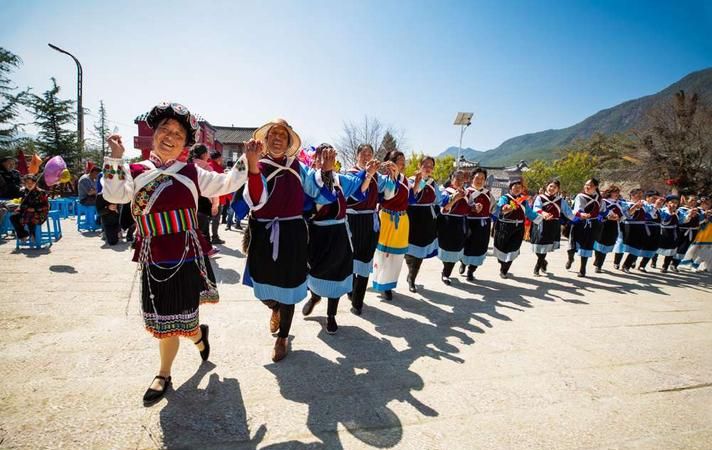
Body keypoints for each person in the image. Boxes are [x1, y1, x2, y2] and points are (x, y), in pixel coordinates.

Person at [102, 102, 250, 406]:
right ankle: (165, 372)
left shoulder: (192, 172)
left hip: (185, 257)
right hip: (154, 258)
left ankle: (192, 341)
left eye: (178, 134)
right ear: (154, 134)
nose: (170, 136)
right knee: (165, 321)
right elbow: (115, 195)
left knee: (182, 317)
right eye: (164, 130)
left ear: (185, 143)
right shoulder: (136, 171)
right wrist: (116, 159)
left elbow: (228, 182)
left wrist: (247, 159)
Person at [242, 118, 326, 362]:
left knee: (289, 288)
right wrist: (253, 166)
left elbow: (321, 192)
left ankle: (283, 338)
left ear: (289, 142)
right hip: (263, 233)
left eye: (283, 134)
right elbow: (255, 200)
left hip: (293, 234)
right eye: (273, 134)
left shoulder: (299, 168)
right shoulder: (255, 162)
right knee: (263, 288)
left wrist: (327, 172)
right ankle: (274, 308)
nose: (278, 137)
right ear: (266, 139)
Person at [301, 143, 375, 333]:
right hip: (318, 235)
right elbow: (312, 201)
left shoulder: (340, 179)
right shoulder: (309, 179)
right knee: (317, 270)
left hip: (340, 233)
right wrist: (324, 172)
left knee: (337, 273)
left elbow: (358, 186)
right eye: (322, 156)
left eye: (330, 156)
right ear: (315, 158)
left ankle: (331, 316)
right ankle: (315, 296)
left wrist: (368, 173)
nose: (326, 160)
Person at [345, 144, 392, 314]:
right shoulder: (350, 174)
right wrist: (368, 174)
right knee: (351, 258)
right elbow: (356, 193)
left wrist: (392, 174)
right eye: (363, 153)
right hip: (352, 220)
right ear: (357, 156)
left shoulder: (376, 177)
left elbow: (388, 193)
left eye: (369, 154)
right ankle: (351, 289)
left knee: (365, 260)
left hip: (371, 220)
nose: (366, 156)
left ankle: (358, 302)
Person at [371, 150, 409, 300]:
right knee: (382, 254)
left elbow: (412, 199)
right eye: (398, 160)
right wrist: (392, 178)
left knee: (396, 256)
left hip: (402, 220)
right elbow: (386, 196)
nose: (401, 163)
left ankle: (389, 284)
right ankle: (380, 282)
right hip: (386, 217)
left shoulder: (407, 180)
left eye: (402, 160)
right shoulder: (383, 179)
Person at [493, 179, 543, 278]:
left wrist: (542, 218)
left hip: (518, 228)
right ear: (510, 188)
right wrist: (506, 208)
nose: (517, 189)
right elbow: (501, 207)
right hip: (504, 227)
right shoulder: (505, 198)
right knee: (502, 248)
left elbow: (529, 213)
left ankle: (504, 270)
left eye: (519, 188)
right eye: (515, 187)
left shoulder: (523, 201)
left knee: (513, 249)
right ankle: (502, 263)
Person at [404, 156, 441, 292]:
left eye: (431, 165)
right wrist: (419, 183)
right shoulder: (410, 180)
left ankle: (412, 277)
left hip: (426, 219)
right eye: (425, 164)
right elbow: (408, 198)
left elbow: (439, 201)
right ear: (419, 165)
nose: (428, 167)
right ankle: (411, 271)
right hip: (412, 216)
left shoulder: (434, 184)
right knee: (409, 247)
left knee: (420, 250)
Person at [530, 179, 575, 276]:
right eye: (550, 186)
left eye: (555, 187)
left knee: (544, 246)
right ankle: (543, 262)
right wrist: (544, 213)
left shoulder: (560, 200)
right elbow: (536, 208)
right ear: (546, 186)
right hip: (540, 223)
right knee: (537, 246)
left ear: (558, 189)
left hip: (553, 225)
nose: (552, 188)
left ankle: (537, 267)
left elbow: (568, 212)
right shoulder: (540, 197)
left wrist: (577, 219)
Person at [459, 167, 496, 281]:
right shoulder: (465, 192)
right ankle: (463, 263)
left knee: (479, 248)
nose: (479, 180)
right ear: (472, 179)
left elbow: (494, 210)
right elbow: (460, 208)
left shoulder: (488, 194)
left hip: (483, 225)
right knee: (465, 246)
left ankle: (471, 270)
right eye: (477, 178)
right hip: (468, 223)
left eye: (482, 178)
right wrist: (472, 209)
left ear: (485, 181)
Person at [437, 170, 469, 285]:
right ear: (452, 179)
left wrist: (475, 207)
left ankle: (447, 272)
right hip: (448, 223)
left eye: (462, 179)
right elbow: (444, 208)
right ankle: (445, 272)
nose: (460, 181)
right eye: (457, 178)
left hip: (461, 223)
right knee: (447, 248)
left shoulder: (466, 193)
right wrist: (455, 198)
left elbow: (468, 208)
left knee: (456, 248)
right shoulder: (446, 192)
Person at [565, 179, 602, 277]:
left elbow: (603, 210)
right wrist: (581, 214)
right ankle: (570, 258)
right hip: (579, 223)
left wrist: (610, 215)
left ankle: (583, 269)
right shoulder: (580, 196)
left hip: (592, 224)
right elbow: (577, 209)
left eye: (590, 185)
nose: (587, 186)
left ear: (595, 187)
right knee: (572, 246)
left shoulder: (599, 198)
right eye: (586, 184)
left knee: (587, 246)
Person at [592, 185, 625, 273]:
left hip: (613, 226)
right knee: (599, 244)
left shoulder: (619, 204)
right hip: (603, 224)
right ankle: (597, 261)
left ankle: (599, 265)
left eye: (618, 192)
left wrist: (618, 217)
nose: (617, 194)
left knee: (606, 245)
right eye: (615, 192)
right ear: (610, 193)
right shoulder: (604, 202)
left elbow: (622, 216)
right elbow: (598, 213)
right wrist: (607, 216)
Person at [10, 174, 49, 241]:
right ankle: (23, 235)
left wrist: (34, 209)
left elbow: (46, 206)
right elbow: (22, 204)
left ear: (35, 183)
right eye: (27, 183)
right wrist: (18, 208)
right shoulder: (23, 192)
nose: (29, 184)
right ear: (24, 184)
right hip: (26, 212)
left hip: (39, 213)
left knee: (30, 215)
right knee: (13, 217)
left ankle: (32, 234)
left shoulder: (41, 192)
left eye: (32, 183)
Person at [637, 191, 665, 272]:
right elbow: (648, 215)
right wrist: (655, 207)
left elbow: (663, 219)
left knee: (652, 248)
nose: (655, 200)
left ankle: (642, 265)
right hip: (645, 228)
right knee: (639, 246)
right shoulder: (643, 205)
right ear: (647, 198)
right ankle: (632, 261)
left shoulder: (659, 208)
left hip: (656, 230)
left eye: (657, 198)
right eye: (654, 198)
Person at [673, 194, 702, 271]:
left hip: (693, 232)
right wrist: (689, 215)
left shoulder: (698, 211)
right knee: (678, 247)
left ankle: (677, 264)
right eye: (691, 200)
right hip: (682, 231)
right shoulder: (681, 210)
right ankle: (672, 262)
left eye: (695, 200)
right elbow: (680, 220)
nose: (694, 202)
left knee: (685, 248)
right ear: (686, 201)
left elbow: (700, 222)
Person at [657, 195, 682, 272]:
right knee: (657, 248)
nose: (674, 204)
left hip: (673, 233)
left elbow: (683, 221)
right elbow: (664, 221)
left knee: (671, 250)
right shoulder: (662, 211)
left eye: (676, 203)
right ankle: (654, 261)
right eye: (672, 202)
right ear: (667, 203)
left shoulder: (679, 212)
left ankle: (665, 266)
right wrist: (670, 214)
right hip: (662, 232)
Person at [208, 150, 229, 244]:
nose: (222, 159)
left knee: (208, 219)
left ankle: (208, 237)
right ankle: (214, 237)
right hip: (217, 198)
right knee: (215, 219)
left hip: (210, 197)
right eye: (221, 157)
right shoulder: (214, 167)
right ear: (217, 158)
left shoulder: (210, 166)